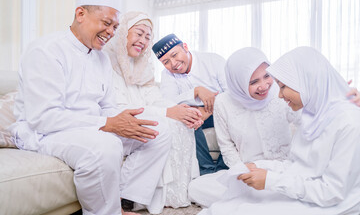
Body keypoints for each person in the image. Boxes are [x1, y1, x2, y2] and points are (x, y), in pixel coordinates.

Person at [10, 0, 171, 215]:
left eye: (115, 27)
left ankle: (124, 199)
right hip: (47, 133)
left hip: (90, 128)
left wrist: (122, 120)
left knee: (158, 132)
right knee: (106, 146)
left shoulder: (101, 58)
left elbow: (107, 107)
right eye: (106, 23)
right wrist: (107, 124)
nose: (111, 32)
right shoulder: (46, 50)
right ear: (80, 14)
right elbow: (44, 119)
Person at [199, 46, 360, 215]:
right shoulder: (311, 114)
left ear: (306, 82)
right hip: (304, 187)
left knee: (241, 209)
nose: (279, 95)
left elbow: (332, 192)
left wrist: (271, 180)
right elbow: (297, 166)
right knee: (223, 206)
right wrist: (258, 167)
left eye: (283, 87)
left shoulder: (349, 123)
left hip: (329, 201)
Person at [103, 11, 202, 214]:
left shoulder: (141, 65)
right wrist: (168, 112)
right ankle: (129, 195)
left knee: (180, 121)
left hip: (143, 113)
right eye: (139, 33)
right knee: (162, 124)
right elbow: (118, 107)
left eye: (148, 37)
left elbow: (154, 97)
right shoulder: (106, 62)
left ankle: (174, 194)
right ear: (123, 32)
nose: (143, 41)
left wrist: (180, 110)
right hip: (117, 119)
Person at [188, 47, 300, 207]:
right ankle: (261, 201)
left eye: (267, 76)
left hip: (282, 171)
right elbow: (226, 146)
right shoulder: (223, 102)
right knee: (196, 187)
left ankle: (256, 202)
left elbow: (304, 121)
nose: (264, 86)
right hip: (246, 175)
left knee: (287, 188)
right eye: (254, 82)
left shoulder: (281, 92)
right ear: (238, 82)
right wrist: (242, 172)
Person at [152, 34, 228, 175]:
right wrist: (196, 91)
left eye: (175, 55)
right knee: (185, 118)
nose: (173, 63)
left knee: (234, 114)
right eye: (166, 62)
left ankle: (224, 170)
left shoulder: (213, 61)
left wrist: (211, 109)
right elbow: (169, 103)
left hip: (223, 111)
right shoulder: (167, 74)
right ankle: (206, 173)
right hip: (196, 114)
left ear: (185, 47)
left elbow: (232, 94)